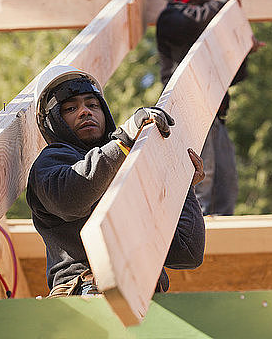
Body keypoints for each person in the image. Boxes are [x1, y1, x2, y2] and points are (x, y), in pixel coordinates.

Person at [26, 64, 206, 297]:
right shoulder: (50, 163)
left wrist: (182, 186)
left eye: (92, 105)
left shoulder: (132, 175)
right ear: (53, 121)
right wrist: (124, 141)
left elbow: (186, 252)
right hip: (85, 296)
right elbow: (72, 198)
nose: (85, 112)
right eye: (71, 108)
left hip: (147, 301)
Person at [156, 0, 265, 216]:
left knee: (226, 186)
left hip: (215, 116)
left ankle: (221, 244)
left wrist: (242, 48)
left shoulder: (205, 26)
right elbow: (193, 21)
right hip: (189, 113)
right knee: (200, 187)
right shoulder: (171, 18)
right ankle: (196, 240)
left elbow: (236, 76)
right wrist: (226, 7)